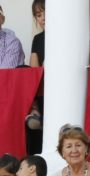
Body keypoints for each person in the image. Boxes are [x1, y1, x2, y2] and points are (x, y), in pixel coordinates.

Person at [25, 0, 46, 133]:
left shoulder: (71, 35)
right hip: (44, 88)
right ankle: (35, 112)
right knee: (23, 69)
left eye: (46, 13)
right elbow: (34, 71)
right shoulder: (38, 39)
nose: (43, 18)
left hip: (65, 87)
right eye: (39, 15)